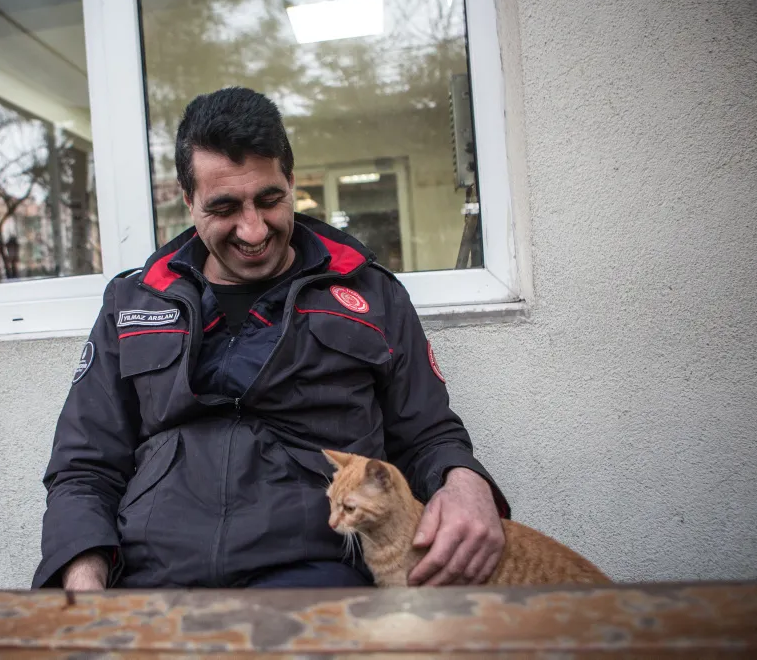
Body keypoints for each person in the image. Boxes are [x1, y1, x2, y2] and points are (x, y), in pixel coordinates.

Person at [33, 87, 510, 591]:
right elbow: (84, 466)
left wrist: (466, 482)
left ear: (291, 179)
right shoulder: (134, 302)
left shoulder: (371, 294)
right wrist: (84, 586)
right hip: (153, 577)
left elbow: (427, 436)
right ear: (188, 199)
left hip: (318, 575)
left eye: (269, 199)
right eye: (224, 207)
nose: (254, 229)